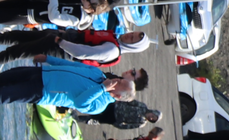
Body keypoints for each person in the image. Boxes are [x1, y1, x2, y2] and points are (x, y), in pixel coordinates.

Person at [0, 56, 135, 113]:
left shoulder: (100, 105)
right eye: (120, 79)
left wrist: (102, 88)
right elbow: (72, 65)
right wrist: (49, 59)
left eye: (119, 83)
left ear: (118, 96)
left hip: (43, 91)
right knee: (5, 76)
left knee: (5, 94)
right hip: (41, 72)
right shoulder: (98, 73)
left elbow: (80, 103)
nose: (116, 80)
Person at [0, 29, 148, 67]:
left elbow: (83, 53)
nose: (129, 35)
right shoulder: (114, 38)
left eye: (132, 39)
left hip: (58, 47)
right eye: (132, 33)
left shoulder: (112, 50)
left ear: (132, 47)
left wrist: (61, 42)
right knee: (17, 36)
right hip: (59, 36)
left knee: (16, 52)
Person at [0, 0, 110, 30]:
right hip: (29, 3)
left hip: (27, 15)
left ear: (92, 10)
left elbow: (54, 17)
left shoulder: (77, 19)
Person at [83, 100, 160, 130]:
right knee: (95, 108)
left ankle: (79, 119)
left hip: (114, 118)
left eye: (153, 119)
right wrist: (118, 100)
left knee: (94, 119)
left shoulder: (141, 123)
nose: (151, 118)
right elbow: (130, 101)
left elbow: (127, 126)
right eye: (153, 116)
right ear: (153, 112)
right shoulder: (142, 106)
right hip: (114, 107)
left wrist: (117, 124)